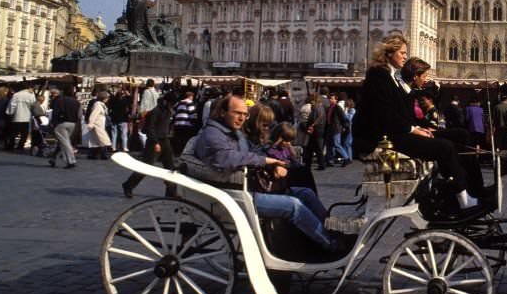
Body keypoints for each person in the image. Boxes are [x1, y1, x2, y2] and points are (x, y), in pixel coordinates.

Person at [194, 95, 344, 253]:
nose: (242, 118)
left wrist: (271, 165)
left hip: (250, 186)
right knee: (294, 206)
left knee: (306, 193)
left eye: (245, 115)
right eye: (237, 113)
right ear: (223, 112)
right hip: (237, 195)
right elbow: (226, 159)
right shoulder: (213, 134)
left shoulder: (232, 132)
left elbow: (251, 154)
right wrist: (266, 161)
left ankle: (330, 232)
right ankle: (330, 244)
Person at [353, 36, 480, 212]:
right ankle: (463, 197)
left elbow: (398, 113)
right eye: (402, 53)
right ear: (389, 53)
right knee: (445, 147)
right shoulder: (379, 75)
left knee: (458, 137)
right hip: (381, 138)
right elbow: (384, 114)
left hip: (393, 132)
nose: (405, 57)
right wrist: (413, 129)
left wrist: (417, 127)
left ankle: (472, 188)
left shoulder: (390, 75)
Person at [122, 92, 177, 198]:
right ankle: (128, 185)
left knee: (170, 167)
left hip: (165, 140)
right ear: (166, 101)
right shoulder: (155, 111)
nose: (173, 105)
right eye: (171, 103)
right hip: (154, 142)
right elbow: (150, 128)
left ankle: (171, 191)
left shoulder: (168, 110)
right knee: (147, 167)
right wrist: (155, 142)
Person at [49, 84, 81, 169]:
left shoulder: (60, 100)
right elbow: (80, 115)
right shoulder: (76, 102)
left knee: (65, 143)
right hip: (73, 124)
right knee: (63, 142)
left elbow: (55, 113)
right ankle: (53, 157)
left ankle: (71, 161)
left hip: (61, 123)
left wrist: (53, 123)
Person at [5, 83, 36, 152]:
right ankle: (20, 146)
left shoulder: (16, 95)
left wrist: (9, 113)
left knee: (13, 133)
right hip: (27, 117)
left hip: (17, 116)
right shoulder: (31, 95)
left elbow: (12, 105)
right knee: (24, 133)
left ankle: (11, 146)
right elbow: (33, 106)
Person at [84, 90, 113, 159]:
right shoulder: (98, 105)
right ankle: (103, 155)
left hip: (100, 125)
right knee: (103, 140)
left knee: (96, 141)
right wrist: (91, 123)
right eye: (107, 98)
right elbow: (93, 115)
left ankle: (93, 155)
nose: (107, 99)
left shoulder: (101, 105)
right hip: (97, 125)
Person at [304, 93, 329, 170]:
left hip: (316, 131)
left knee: (315, 149)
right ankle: (319, 164)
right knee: (316, 149)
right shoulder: (321, 107)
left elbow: (313, 119)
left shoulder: (316, 108)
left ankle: (318, 164)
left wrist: (309, 126)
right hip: (320, 130)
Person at [172, 90, 200, 155]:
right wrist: (194, 122)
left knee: (177, 138)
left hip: (177, 124)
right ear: (190, 96)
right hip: (186, 124)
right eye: (192, 97)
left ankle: (175, 152)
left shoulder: (179, 102)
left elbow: (173, 112)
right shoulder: (190, 103)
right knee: (184, 140)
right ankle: (181, 153)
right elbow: (192, 114)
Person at [109, 86, 133, 152]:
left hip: (114, 119)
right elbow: (131, 101)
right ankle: (124, 147)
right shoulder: (124, 101)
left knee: (114, 134)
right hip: (123, 119)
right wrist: (128, 94)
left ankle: (113, 147)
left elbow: (109, 106)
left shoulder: (113, 100)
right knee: (124, 134)